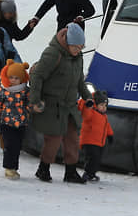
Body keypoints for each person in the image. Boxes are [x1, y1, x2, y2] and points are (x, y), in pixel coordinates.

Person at [29, 22, 92, 184]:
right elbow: (37, 77)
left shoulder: (78, 57)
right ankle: (43, 168)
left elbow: (79, 81)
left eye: (81, 47)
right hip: (53, 105)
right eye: (76, 47)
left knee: (72, 138)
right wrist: (35, 100)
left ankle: (70, 171)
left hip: (69, 105)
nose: (79, 50)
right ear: (67, 43)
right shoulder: (52, 54)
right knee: (54, 139)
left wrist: (88, 97)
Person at [0, 59, 30, 179]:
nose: (13, 80)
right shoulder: (2, 90)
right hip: (5, 123)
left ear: (21, 79)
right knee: (10, 145)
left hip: (21, 123)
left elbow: (29, 103)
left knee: (17, 146)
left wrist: (35, 107)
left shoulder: (25, 90)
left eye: (16, 78)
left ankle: (14, 168)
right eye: (11, 77)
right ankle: (8, 168)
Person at [78, 90, 113, 182]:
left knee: (97, 159)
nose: (104, 108)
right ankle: (87, 173)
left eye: (105, 106)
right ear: (95, 105)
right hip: (89, 141)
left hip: (99, 142)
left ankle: (91, 173)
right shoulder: (91, 113)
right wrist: (89, 101)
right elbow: (85, 113)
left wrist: (110, 135)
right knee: (92, 158)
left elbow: (107, 126)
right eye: (101, 105)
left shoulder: (104, 116)